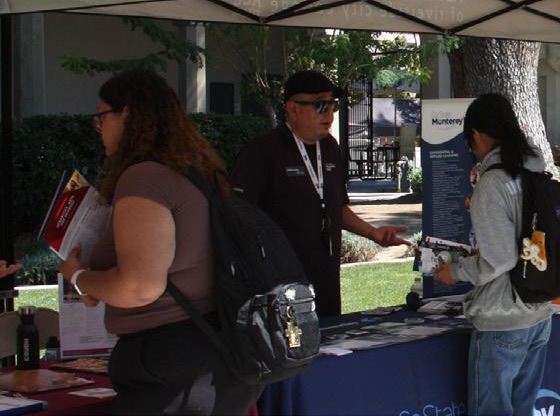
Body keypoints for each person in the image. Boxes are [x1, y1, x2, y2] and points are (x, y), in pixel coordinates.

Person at [56, 69, 263, 414]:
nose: (99, 128)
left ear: (126, 114)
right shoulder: (193, 172)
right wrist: (96, 285)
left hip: (173, 362)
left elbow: (141, 287)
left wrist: (78, 276)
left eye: (101, 116)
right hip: (215, 351)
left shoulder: (144, 177)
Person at [231, 70, 407, 318]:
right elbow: (240, 219)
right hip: (281, 280)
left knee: (329, 332)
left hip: (325, 273)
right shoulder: (263, 150)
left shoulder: (330, 147)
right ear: (293, 108)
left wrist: (373, 233)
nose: (329, 113)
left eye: (333, 105)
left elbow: (336, 207)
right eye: (320, 105)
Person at [433, 93, 552, 416]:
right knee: (523, 408)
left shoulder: (492, 183)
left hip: (503, 317)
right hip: (538, 310)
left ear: (476, 135)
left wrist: (455, 270)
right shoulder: (534, 170)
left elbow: (499, 259)